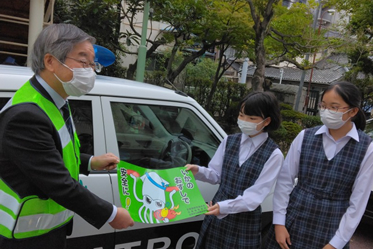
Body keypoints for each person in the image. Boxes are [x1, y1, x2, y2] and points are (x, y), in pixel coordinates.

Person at [0, 24, 134, 249]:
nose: (90, 70)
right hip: (24, 239)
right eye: (83, 61)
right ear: (51, 61)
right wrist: (110, 214)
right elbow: (57, 183)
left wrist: (91, 161)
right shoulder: (26, 116)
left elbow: (53, 153)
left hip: (46, 231)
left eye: (93, 64)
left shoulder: (55, 100)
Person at [265, 81, 373, 249]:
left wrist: (336, 243)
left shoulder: (367, 148)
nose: (327, 111)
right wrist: (279, 223)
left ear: (353, 111)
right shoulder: (305, 136)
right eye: (323, 106)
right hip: (294, 220)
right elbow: (285, 181)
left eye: (334, 107)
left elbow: (358, 202)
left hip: (331, 228)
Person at [186, 91, 284, 248]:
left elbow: (254, 197)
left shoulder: (274, 154)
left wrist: (224, 207)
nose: (244, 121)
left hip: (243, 222)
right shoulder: (229, 141)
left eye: (252, 118)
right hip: (217, 216)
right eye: (242, 115)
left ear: (267, 121)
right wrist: (198, 171)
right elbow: (217, 175)